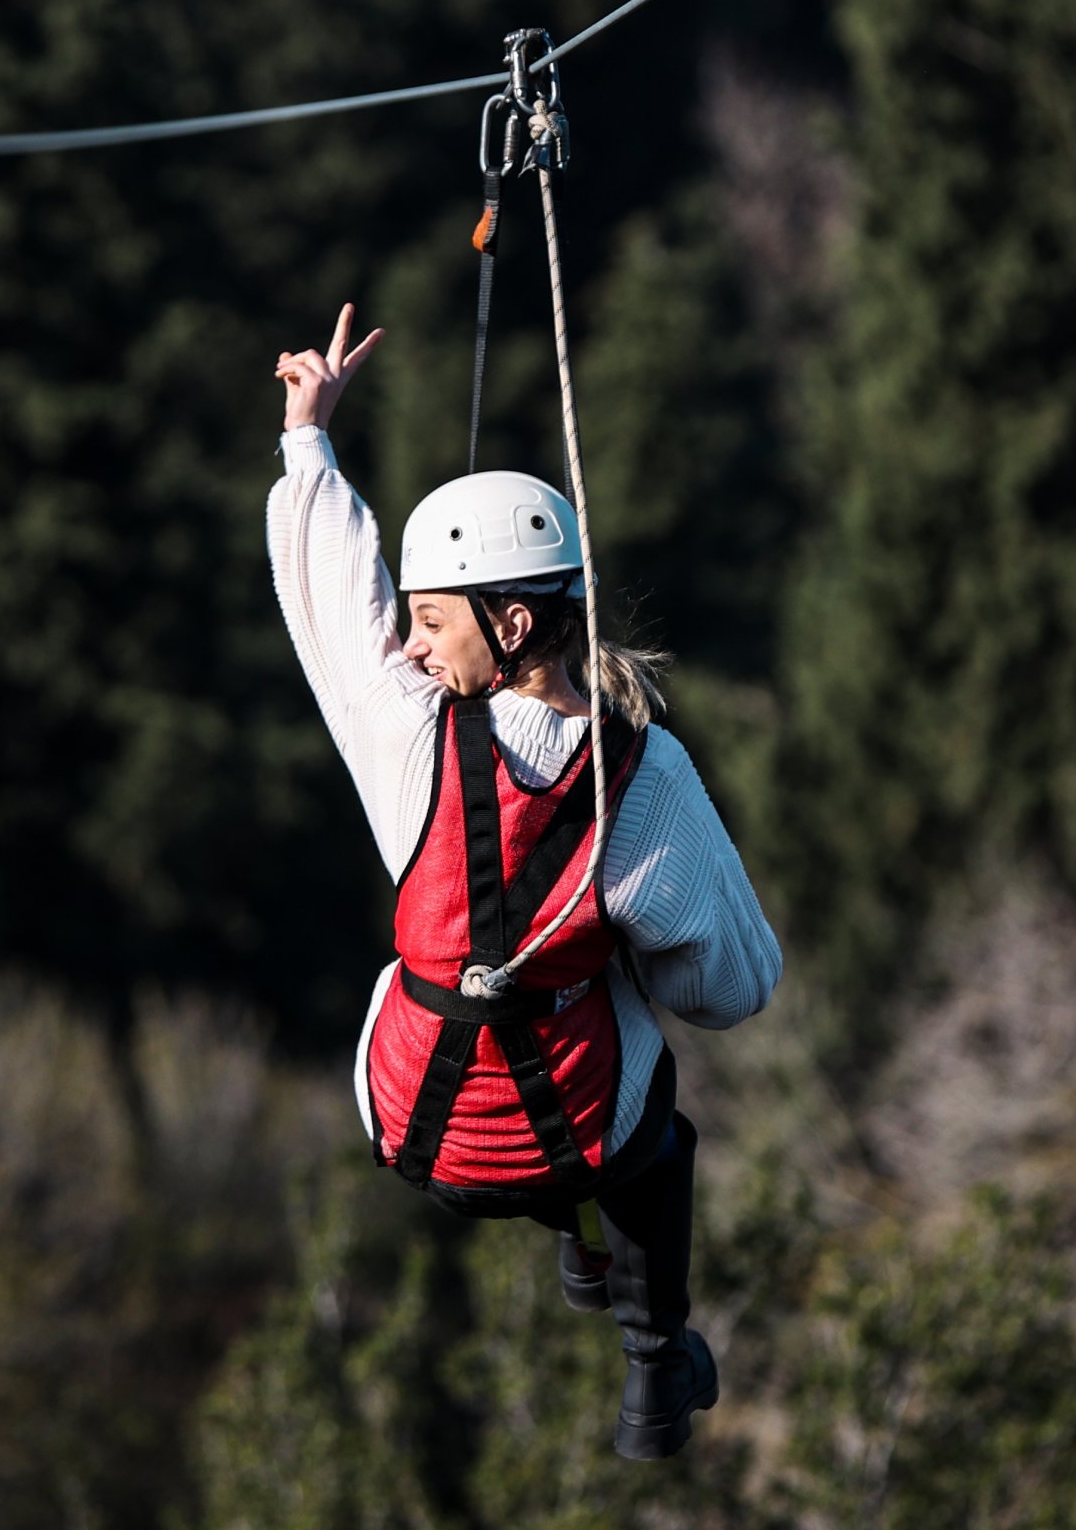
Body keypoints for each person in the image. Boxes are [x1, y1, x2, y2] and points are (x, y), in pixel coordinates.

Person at [267, 303, 782, 1461]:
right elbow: (735, 983)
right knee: (641, 1068)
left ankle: (576, 1228)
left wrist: (311, 437)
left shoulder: (406, 740)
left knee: (529, 1007)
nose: (409, 645)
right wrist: (618, 942)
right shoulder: (642, 780)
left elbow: (325, 604)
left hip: (415, 1126)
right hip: (573, 1134)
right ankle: (655, 1360)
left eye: (433, 619)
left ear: (509, 620)